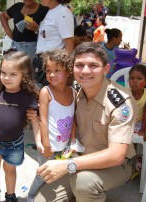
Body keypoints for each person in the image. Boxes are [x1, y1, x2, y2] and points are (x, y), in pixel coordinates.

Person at [27, 42, 137, 201]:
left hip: (114, 166)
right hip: (79, 158)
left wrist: (67, 165)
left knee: (85, 183)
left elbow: (117, 155)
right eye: (79, 65)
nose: (85, 71)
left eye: (93, 65)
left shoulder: (120, 102)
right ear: (72, 69)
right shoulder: (76, 94)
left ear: (106, 69)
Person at [0, 50, 40, 202]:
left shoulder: (29, 96)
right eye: (3, 73)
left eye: (13, 74)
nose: (6, 78)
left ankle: (10, 196)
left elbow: (35, 119)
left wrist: (39, 142)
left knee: (10, 171)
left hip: (14, 144)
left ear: (23, 76)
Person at [27, 49, 76, 202]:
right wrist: (46, 144)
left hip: (65, 146)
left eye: (57, 70)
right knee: (43, 174)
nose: (51, 74)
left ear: (68, 72)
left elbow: (73, 119)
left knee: (56, 173)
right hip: (48, 146)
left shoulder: (74, 92)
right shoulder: (45, 92)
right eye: (48, 71)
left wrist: (73, 141)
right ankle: (31, 197)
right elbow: (43, 119)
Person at [34, 0, 74, 87]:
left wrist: (64, 68)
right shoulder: (51, 11)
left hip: (53, 63)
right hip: (41, 61)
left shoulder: (63, 12)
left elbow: (69, 42)